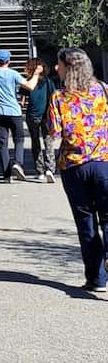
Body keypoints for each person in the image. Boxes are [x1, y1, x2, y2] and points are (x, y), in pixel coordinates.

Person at [48, 48, 108, 297]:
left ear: (68, 67)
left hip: (74, 166)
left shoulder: (59, 97)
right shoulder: (104, 90)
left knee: (86, 222)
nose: (55, 68)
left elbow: (55, 133)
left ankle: (96, 277)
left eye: (59, 64)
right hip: (104, 162)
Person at [0, 49, 40, 181]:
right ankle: (18, 164)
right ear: (8, 61)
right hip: (14, 112)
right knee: (19, 140)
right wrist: (36, 74)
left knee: (3, 144)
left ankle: (7, 176)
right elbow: (30, 86)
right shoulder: (13, 74)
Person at [19, 57, 57, 183]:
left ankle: (39, 170)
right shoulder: (48, 82)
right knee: (48, 142)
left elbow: (22, 101)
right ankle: (50, 169)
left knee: (35, 143)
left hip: (32, 115)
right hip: (46, 116)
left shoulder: (27, 82)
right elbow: (53, 98)